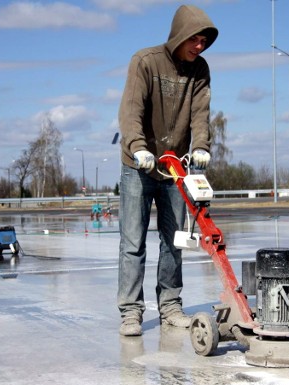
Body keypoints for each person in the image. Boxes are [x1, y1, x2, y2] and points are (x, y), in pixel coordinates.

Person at [117, 5, 218, 336]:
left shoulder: (200, 70)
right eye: (195, 40)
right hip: (139, 164)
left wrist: (200, 146)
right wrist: (137, 147)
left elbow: (200, 113)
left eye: (204, 42)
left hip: (175, 168)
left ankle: (171, 305)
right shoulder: (145, 62)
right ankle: (131, 312)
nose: (199, 47)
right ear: (180, 36)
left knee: (175, 240)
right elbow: (131, 109)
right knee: (133, 241)